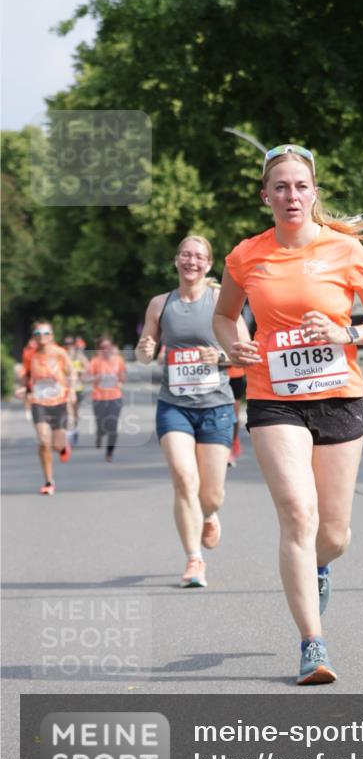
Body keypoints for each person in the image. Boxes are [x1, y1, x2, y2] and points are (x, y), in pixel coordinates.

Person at [213, 143, 363, 685]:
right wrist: (233, 343)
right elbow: (224, 316)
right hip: (273, 395)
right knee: (298, 513)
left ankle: (318, 567)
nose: (291, 195)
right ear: (265, 196)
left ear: (314, 192)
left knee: (333, 534)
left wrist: (346, 332)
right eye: (281, 187)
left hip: (338, 394)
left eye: (300, 186)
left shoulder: (346, 250)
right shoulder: (246, 255)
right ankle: (312, 644)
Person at [135, 235, 249, 588]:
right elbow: (145, 353)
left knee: (211, 494)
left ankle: (210, 514)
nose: (191, 261)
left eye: (199, 256)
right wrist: (145, 349)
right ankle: (194, 560)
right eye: (186, 254)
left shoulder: (221, 299)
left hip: (216, 406)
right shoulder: (160, 304)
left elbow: (246, 353)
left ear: (208, 264)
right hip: (174, 406)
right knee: (184, 480)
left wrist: (219, 356)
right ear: (176, 260)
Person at [17, 322, 74, 495]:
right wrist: (23, 388)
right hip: (39, 402)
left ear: (51, 336)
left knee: (56, 445)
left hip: (59, 401)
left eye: (45, 333)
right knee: (43, 441)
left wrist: (71, 391)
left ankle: (63, 447)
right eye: (38, 333)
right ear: (34, 336)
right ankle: (49, 481)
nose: (42, 336)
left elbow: (71, 372)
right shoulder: (30, 355)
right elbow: (26, 375)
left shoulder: (60, 353)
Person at [88, 336, 126, 461]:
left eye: (108, 346)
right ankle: (99, 434)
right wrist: (96, 378)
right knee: (100, 423)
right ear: (98, 349)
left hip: (115, 396)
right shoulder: (95, 361)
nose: (105, 349)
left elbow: (123, 376)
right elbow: (85, 378)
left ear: (112, 347)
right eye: (102, 347)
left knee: (112, 425)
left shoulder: (118, 360)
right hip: (98, 397)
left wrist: (121, 379)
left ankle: (109, 452)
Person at [64, 335, 89, 444]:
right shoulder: (63, 355)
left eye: (70, 343)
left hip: (78, 388)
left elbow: (87, 368)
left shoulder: (79, 356)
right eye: (66, 343)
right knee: (68, 411)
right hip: (66, 388)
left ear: (74, 344)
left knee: (75, 412)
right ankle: (68, 432)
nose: (68, 346)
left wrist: (79, 372)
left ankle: (75, 429)